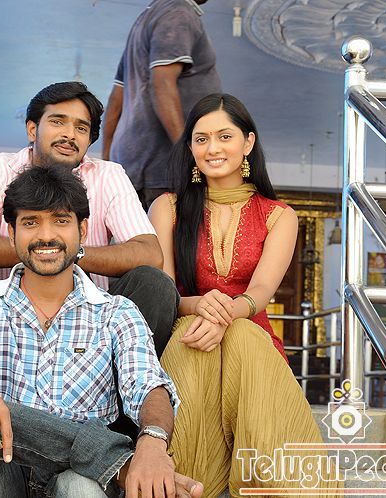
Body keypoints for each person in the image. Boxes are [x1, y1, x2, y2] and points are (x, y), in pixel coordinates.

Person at [0, 165, 203, 498]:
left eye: (61, 221)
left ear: (83, 230)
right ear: (11, 232)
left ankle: (103, 462)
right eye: (31, 222)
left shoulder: (116, 313)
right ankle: (114, 463)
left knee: (80, 487)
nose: (46, 235)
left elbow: (149, 385)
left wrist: (152, 440)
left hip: (75, 476)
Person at [148, 94, 340, 495]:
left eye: (225, 136)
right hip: (187, 330)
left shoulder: (279, 215)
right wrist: (201, 306)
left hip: (251, 336)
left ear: (248, 142)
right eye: (201, 139)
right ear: (190, 148)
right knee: (193, 342)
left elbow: (261, 292)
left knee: (242, 336)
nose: (213, 148)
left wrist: (225, 314)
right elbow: (164, 291)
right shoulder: (167, 207)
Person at [0, 81, 178, 357]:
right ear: (32, 129)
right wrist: (38, 252)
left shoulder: (109, 175)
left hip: (93, 328)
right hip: (2, 321)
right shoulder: (1, 168)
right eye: (58, 122)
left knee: (154, 284)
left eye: (81, 128)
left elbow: (149, 253)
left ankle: (127, 376)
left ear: (89, 140)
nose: (69, 134)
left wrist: (68, 253)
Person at [102, 0, 222, 209]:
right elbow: (162, 84)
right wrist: (188, 155)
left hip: (132, 170)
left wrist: (107, 163)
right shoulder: (179, 13)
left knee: (141, 232)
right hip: (166, 172)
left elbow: (116, 101)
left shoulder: (146, 18)